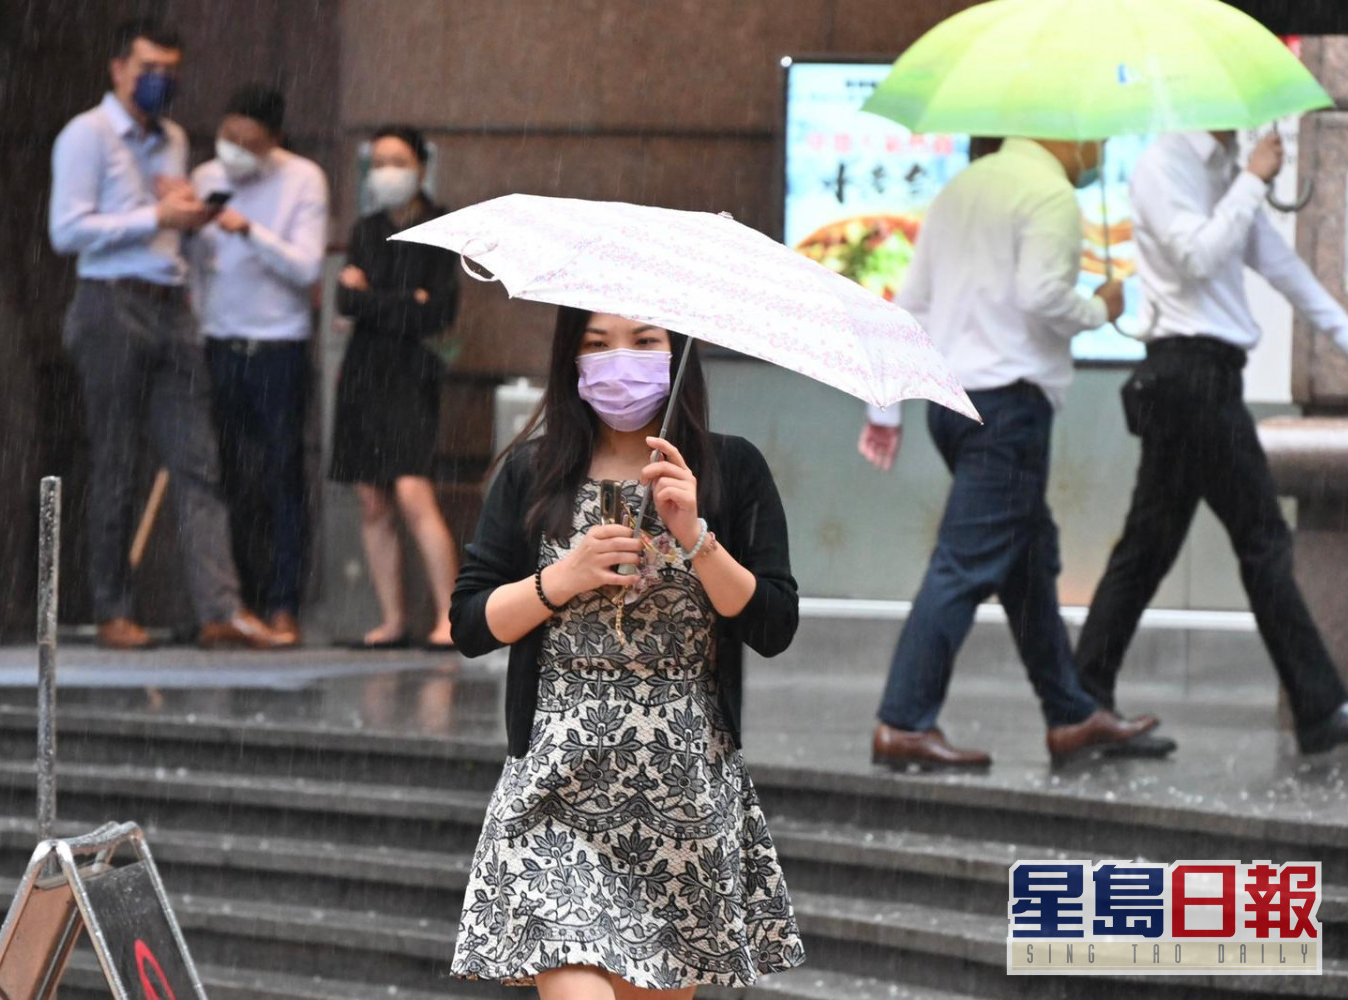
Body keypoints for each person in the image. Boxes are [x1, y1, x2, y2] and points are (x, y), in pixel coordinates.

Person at [449, 308, 804, 997]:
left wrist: (695, 535)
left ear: (677, 356)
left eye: (644, 341)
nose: (620, 361)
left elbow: (772, 624)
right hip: (554, 782)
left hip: (682, 794)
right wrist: (564, 577)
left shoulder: (731, 468)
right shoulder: (534, 473)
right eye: (596, 344)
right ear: (571, 362)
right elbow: (470, 623)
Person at [857, 137, 1163, 770]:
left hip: (953, 404)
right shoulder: (1049, 192)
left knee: (1026, 562)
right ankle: (903, 722)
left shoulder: (960, 188)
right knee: (965, 565)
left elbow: (911, 304)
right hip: (1007, 411)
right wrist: (1100, 306)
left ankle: (1072, 714)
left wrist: (885, 406)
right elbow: (1043, 297)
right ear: (1061, 133)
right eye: (1096, 137)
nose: (1100, 148)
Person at [1077, 130, 1348, 755]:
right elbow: (1196, 257)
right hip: (1187, 376)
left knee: (1148, 548)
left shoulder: (1228, 171)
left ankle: (1083, 701)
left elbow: (1287, 272)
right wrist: (1254, 181)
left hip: (1207, 377)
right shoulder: (1163, 164)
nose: (1258, 124)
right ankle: (1318, 707)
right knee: (1260, 540)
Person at [49, 19, 292, 651]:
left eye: (170, 70)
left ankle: (220, 608)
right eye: (148, 68)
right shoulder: (88, 134)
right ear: (118, 69)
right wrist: (153, 214)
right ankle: (112, 609)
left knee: (199, 462)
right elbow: (67, 230)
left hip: (173, 304)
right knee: (116, 461)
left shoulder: (174, 138)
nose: (160, 80)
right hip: (111, 303)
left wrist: (186, 212)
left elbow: (165, 223)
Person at [190, 84, 328, 647]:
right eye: (227, 137)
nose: (234, 151)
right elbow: (196, 267)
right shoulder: (204, 179)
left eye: (248, 142)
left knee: (281, 478)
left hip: (279, 348)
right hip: (219, 344)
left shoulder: (303, 179)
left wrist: (249, 230)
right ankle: (233, 601)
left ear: (272, 142)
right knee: (227, 477)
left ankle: (282, 603)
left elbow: (306, 266)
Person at [329, 125, 460, 650]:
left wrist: (374, 299)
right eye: (378, 160)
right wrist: (405, 300)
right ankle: (393, 618)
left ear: (421, 166)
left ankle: (451, 616)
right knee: (372, 497)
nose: (387, 170)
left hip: (411, 371)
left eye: (397, 159)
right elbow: (344, 303)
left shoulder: (441, 228)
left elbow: (438, 313)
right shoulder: (365, 229)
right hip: (363, 371)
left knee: (412, 489)